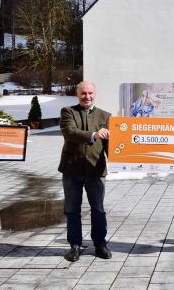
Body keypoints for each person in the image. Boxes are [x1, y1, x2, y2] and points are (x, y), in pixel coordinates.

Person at [59, 81, 112, 262]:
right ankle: (75, 245)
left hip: (96, 170)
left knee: (98, 209)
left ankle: (100, 244)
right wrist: (94, 135)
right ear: (77, 94)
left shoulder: (105, 116)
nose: (87, 97)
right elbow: (70, 133)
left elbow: (110, 145)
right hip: (72, 168)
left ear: (95, 94)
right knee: (72, 209)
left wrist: (124, 160)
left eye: (90, 93)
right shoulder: (68, 112)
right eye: (83, 93)